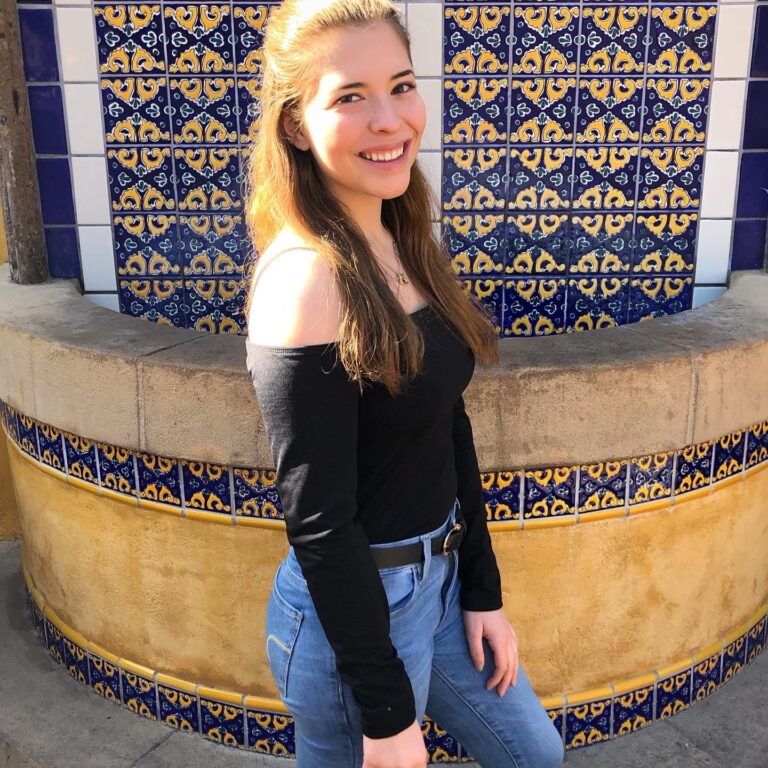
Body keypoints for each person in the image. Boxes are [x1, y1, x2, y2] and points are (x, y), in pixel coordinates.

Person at [242, 1, 565, 766]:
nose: (389, 120)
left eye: (401, 86)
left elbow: (445, 423)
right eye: (350, 97)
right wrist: (387, 717)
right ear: (295, 124)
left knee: (535, 755)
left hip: (442, 583)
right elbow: (319, 523)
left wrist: (480, 589)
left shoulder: (399, 231)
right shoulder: (306, 280)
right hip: (357, 620)